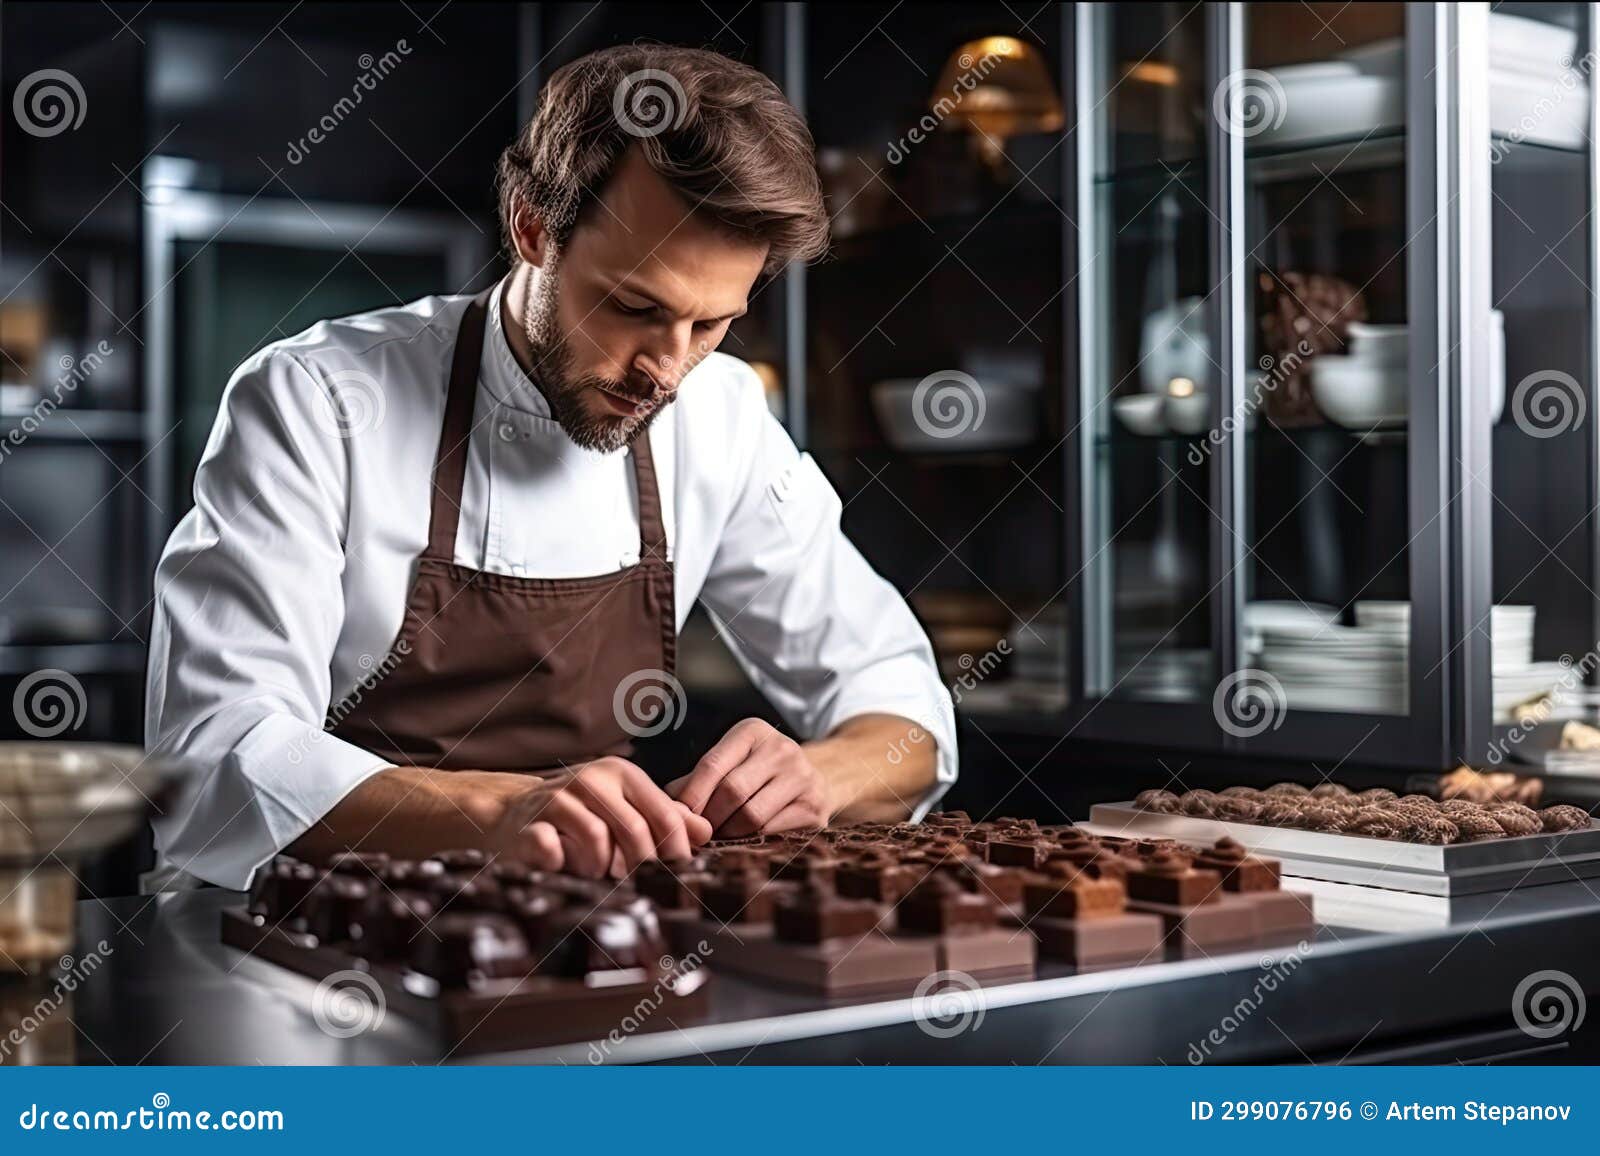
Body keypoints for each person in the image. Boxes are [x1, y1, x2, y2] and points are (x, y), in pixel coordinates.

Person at [145, 43, 955, 889]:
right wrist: (501, 815)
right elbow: (213, 757)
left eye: (713, 324)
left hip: (563, 939)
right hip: (299, 936)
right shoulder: (319, 401)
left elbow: (902, 700)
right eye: (636, 307)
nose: (668, 370)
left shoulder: (720, 416)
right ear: (532, 227)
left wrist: (820, 777)